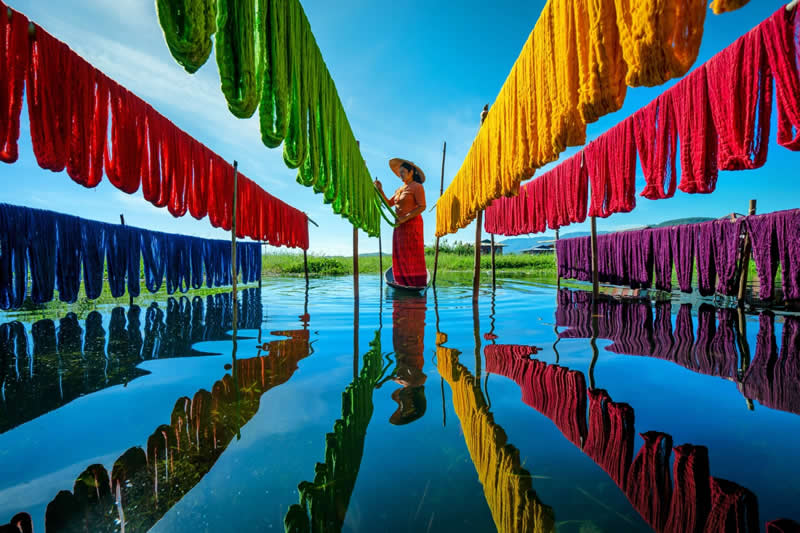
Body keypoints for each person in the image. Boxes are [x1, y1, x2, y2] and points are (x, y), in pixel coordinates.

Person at [374, 159, 427, 287]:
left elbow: (422, 206)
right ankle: (401, 281)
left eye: (403, 172)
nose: (401, 174)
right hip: (399, 226)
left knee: (412, 253)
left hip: (413, 224)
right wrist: (380, 189)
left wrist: (405, 218)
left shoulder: (417, 187)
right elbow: (388, 203)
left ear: (411, 172)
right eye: (400, 172)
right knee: (400, 253)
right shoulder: (399, 189)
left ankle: (416, 282)